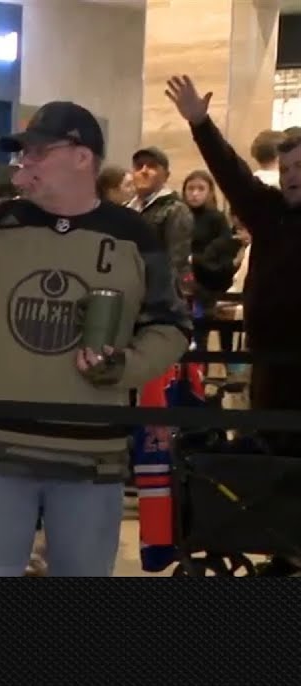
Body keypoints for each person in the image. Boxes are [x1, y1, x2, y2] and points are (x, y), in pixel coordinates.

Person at [0, 100, 191, 577]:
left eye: (39, 151)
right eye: (23, 152)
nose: (26, 161)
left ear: (83, 157)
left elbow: (171, 325)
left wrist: (126, 366)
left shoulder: (131, 234)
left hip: (91, 450)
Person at [166, 75, 301, 573]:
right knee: (278, 464)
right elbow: (233, 174)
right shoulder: (268, 214)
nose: (291, 175)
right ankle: (285, 552)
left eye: (300, 166)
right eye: (286, 167)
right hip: (271, 371)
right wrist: (200, 125)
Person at [181, 169, 237, 354]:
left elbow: (220, 253)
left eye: (200, 189)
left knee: (201, 337)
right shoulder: (179, 216)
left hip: (208, 285)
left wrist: (194, 259)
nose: (195, 193)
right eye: (191, 188)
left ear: (210, 192)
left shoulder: (217, 219)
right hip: (182, 284)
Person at [127, 146, 194, 294]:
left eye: (151, 166)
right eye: (139, 167)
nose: (144, 171)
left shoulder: (175, 209)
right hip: (130, 291)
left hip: (161, 295)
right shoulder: (127, 210)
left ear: (166, 175)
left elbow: (176, 261)